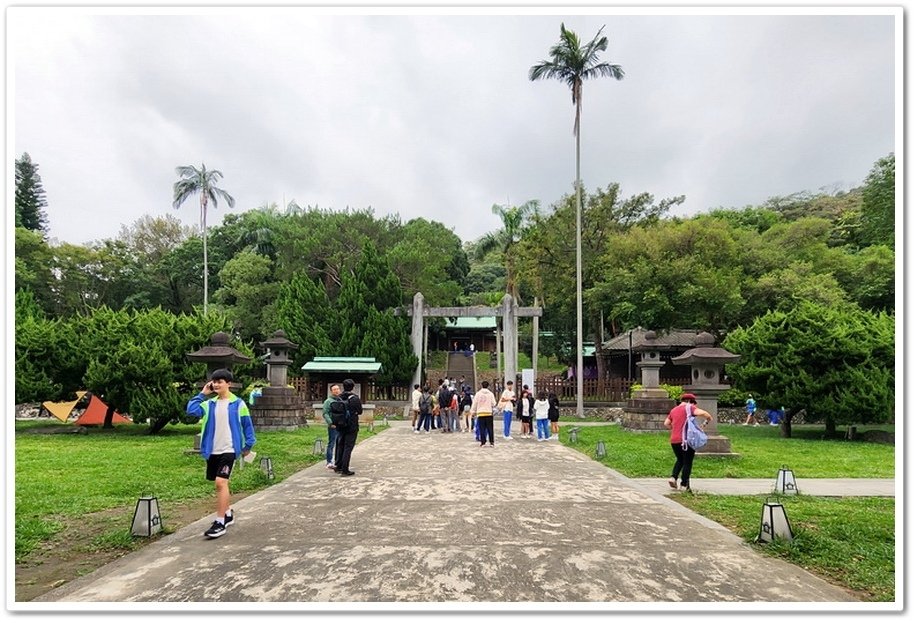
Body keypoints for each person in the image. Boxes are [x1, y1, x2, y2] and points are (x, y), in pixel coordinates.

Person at [185, 368, 256, 539]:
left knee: (220, 483)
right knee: (221, 483)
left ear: (228, 384)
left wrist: (248, 445)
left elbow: (247, 425)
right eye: (214, 381)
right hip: (212, 450)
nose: (216, 384)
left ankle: (220, 521)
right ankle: (228, 512)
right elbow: (191, 411)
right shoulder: (209, 404)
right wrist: (203, 393)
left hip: (230, 449)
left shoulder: (238, 404)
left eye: (220, 381)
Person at [663, 393, 712, 493]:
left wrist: (676, 428)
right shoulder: (690, 407)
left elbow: (666, 423)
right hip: (687, 440)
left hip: (674, 440)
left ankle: (673, 477)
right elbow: (706, 415)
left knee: (680, 459)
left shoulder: (673, 410)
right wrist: (705, 423)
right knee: (687, 462)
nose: (694, 405)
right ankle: (684, 484)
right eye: (694, 403)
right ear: (690, 401)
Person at [333, 378, 362, 476]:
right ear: (353, 387)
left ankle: (338, 466)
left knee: (340, 445)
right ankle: (345, 470)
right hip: (351, 425)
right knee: (348, 447)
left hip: (340, 425)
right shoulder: (355, 398)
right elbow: (360, 411)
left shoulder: (338, 398)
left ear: (343, 386)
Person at [321, 383, 342, 470]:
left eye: (337, 389)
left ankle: (337, 460)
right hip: (333, 425)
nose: (336, 391)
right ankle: (329, 461)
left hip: (341, 425)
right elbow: (325, 413)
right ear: (331, 391)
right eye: (334, 389)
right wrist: (330, 423)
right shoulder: (328, 401)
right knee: (332, 443)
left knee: (339, 443)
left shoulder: (340, 400)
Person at [471, 380, 497, 447]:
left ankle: (483, 442)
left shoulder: (478, 394)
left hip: (481, 413)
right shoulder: (491, 394)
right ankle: (491, 442)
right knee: (490, 428)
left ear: (481, 386)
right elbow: (494, 403)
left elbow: (475, 403)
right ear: (488, 386)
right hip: (488, 413)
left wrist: (473, 411)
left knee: (482, 428)